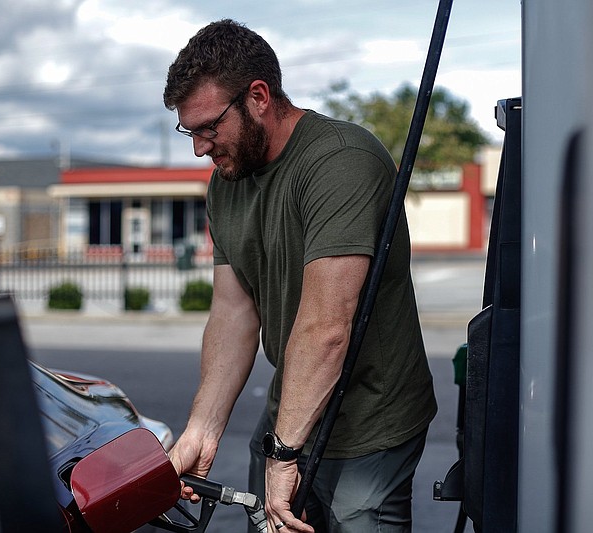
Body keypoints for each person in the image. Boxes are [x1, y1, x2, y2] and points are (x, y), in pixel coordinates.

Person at [163, 19, 437, 533]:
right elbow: (233, 312)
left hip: (370, 419)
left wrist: (283, 455)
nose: (199, 148)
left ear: (259, 97)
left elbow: (327, 326)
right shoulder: (228, 183)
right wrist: (202, 428)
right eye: (189, 131)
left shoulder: (340, 161)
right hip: (291, 409)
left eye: (208, 127)